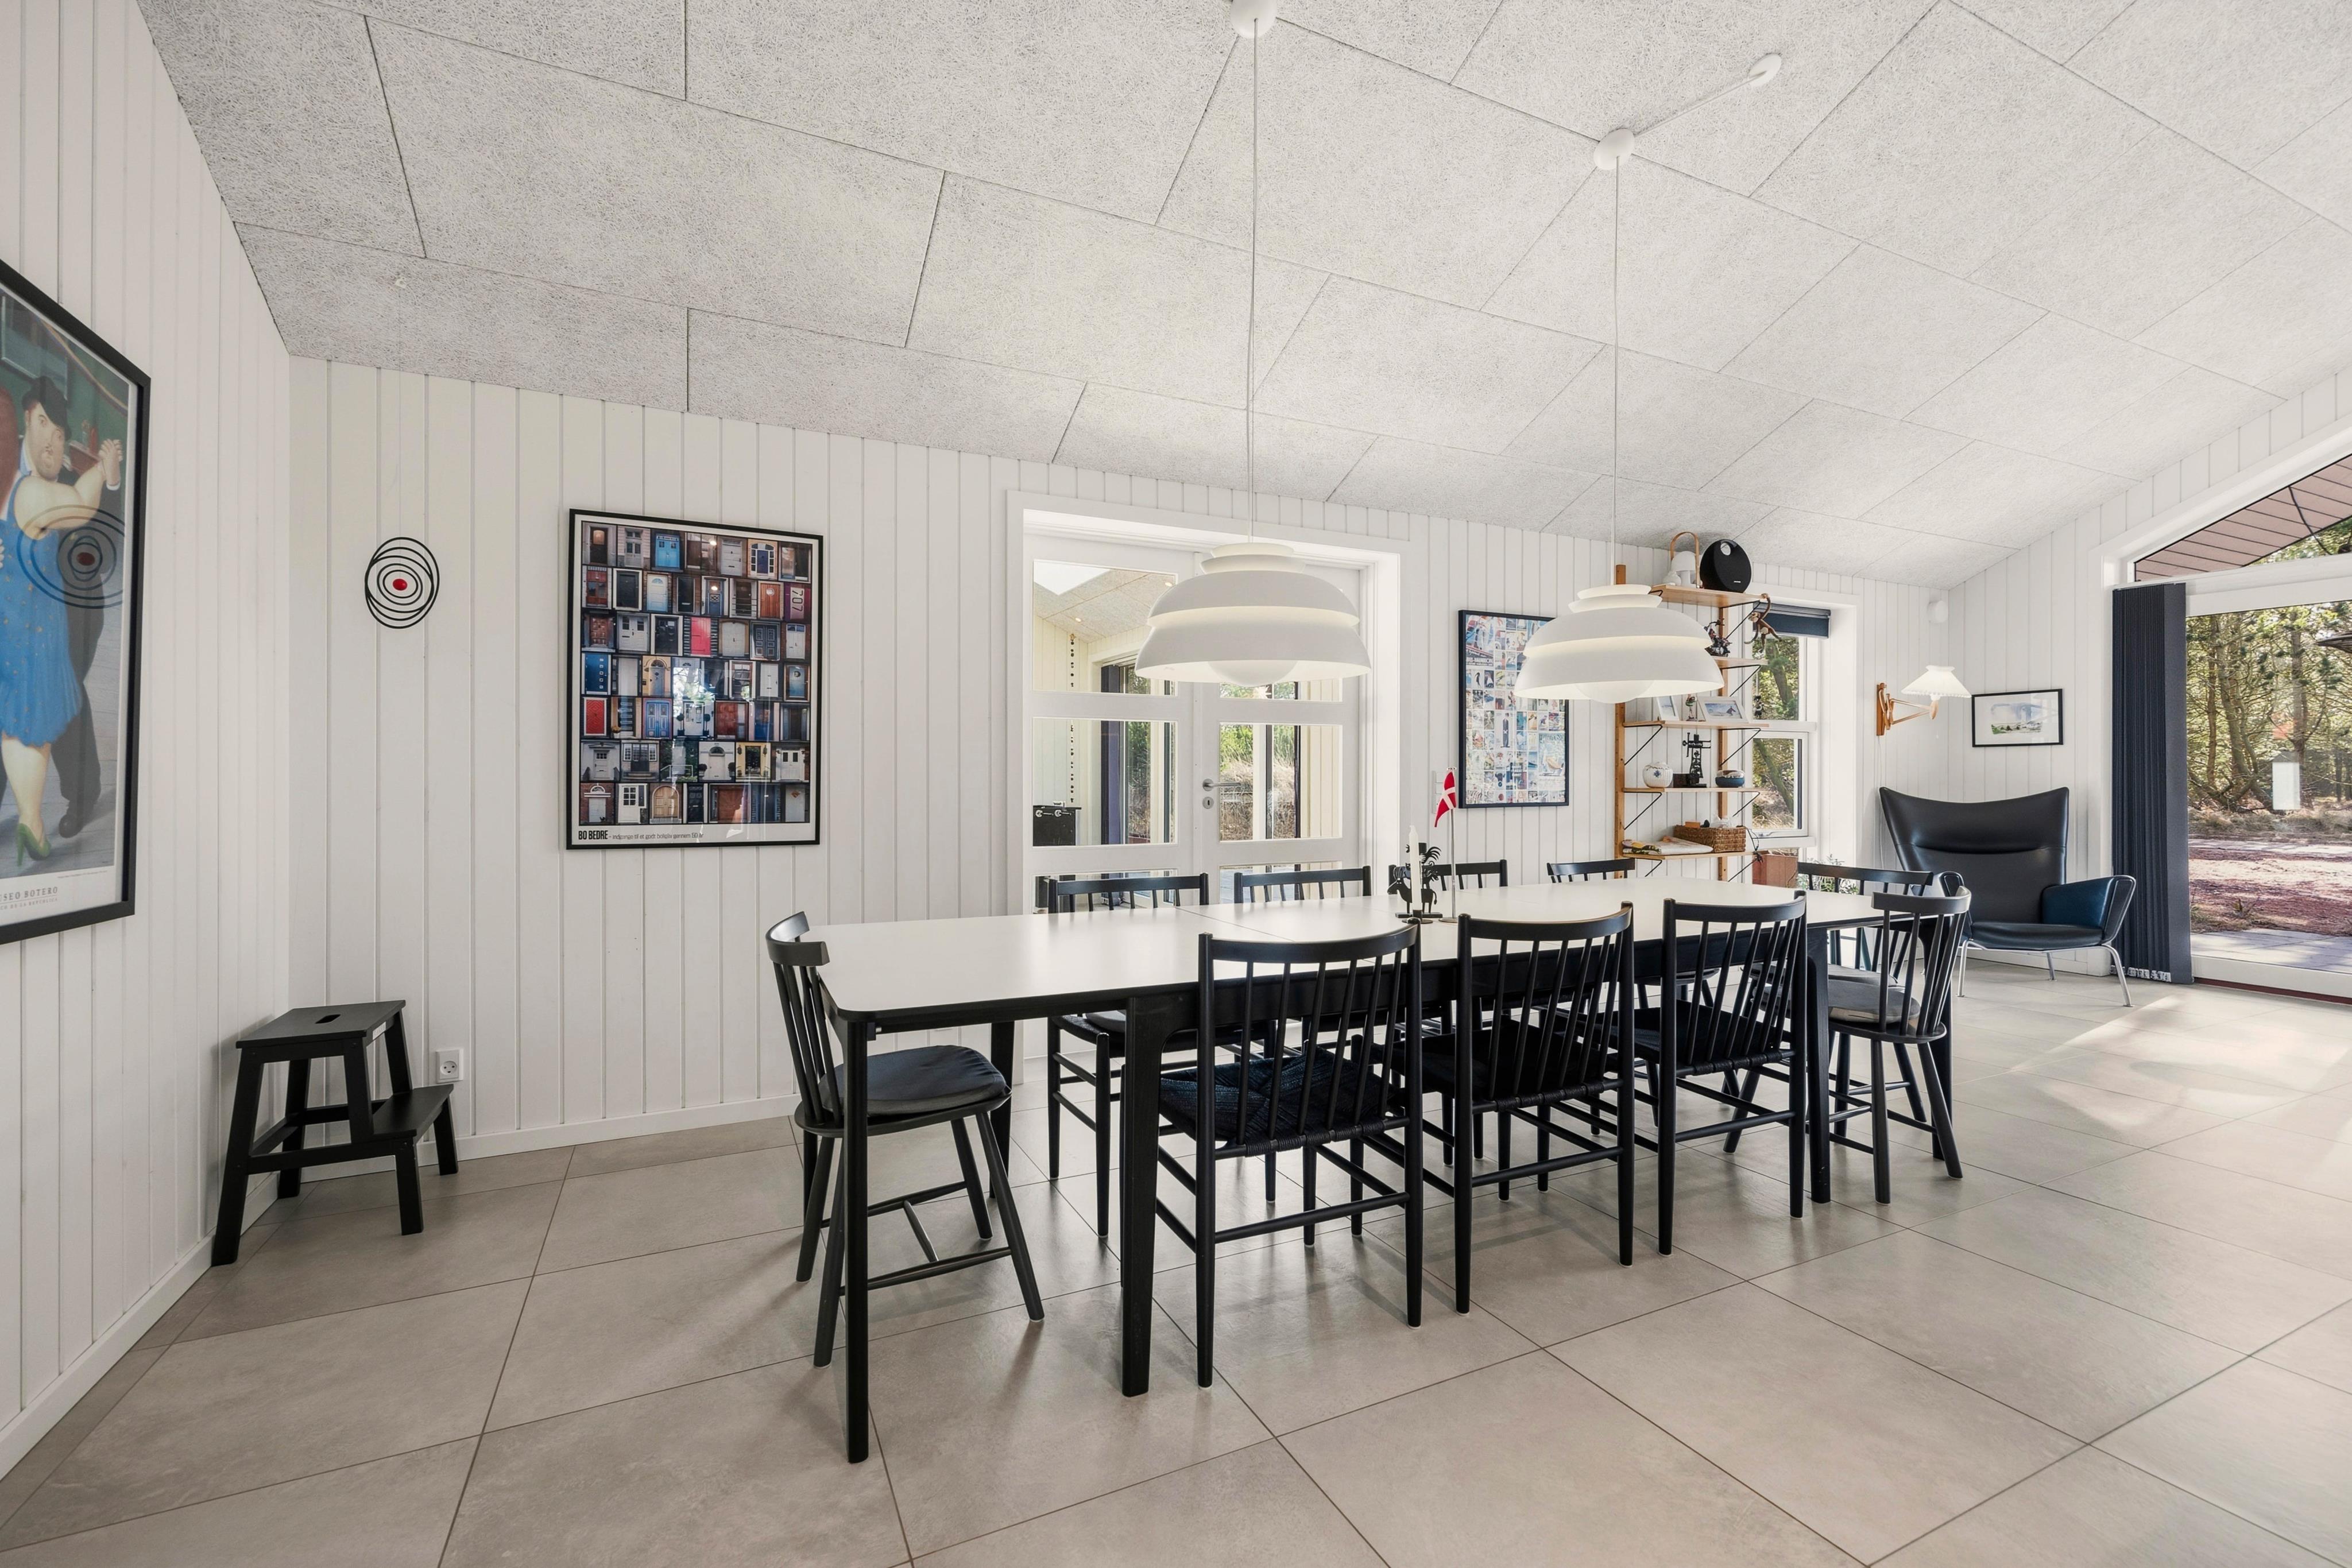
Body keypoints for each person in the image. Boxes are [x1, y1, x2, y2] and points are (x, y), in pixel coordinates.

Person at [0, 377, 123, 865]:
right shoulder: (6, 471)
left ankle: (82, 793)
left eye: (59, 430)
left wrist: (109, 480)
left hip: (72, 609)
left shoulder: (71, 478)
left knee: (62, 696)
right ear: (28, 420)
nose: (52, 439)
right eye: (44, 423)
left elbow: (103, 538)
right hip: (14, 611)